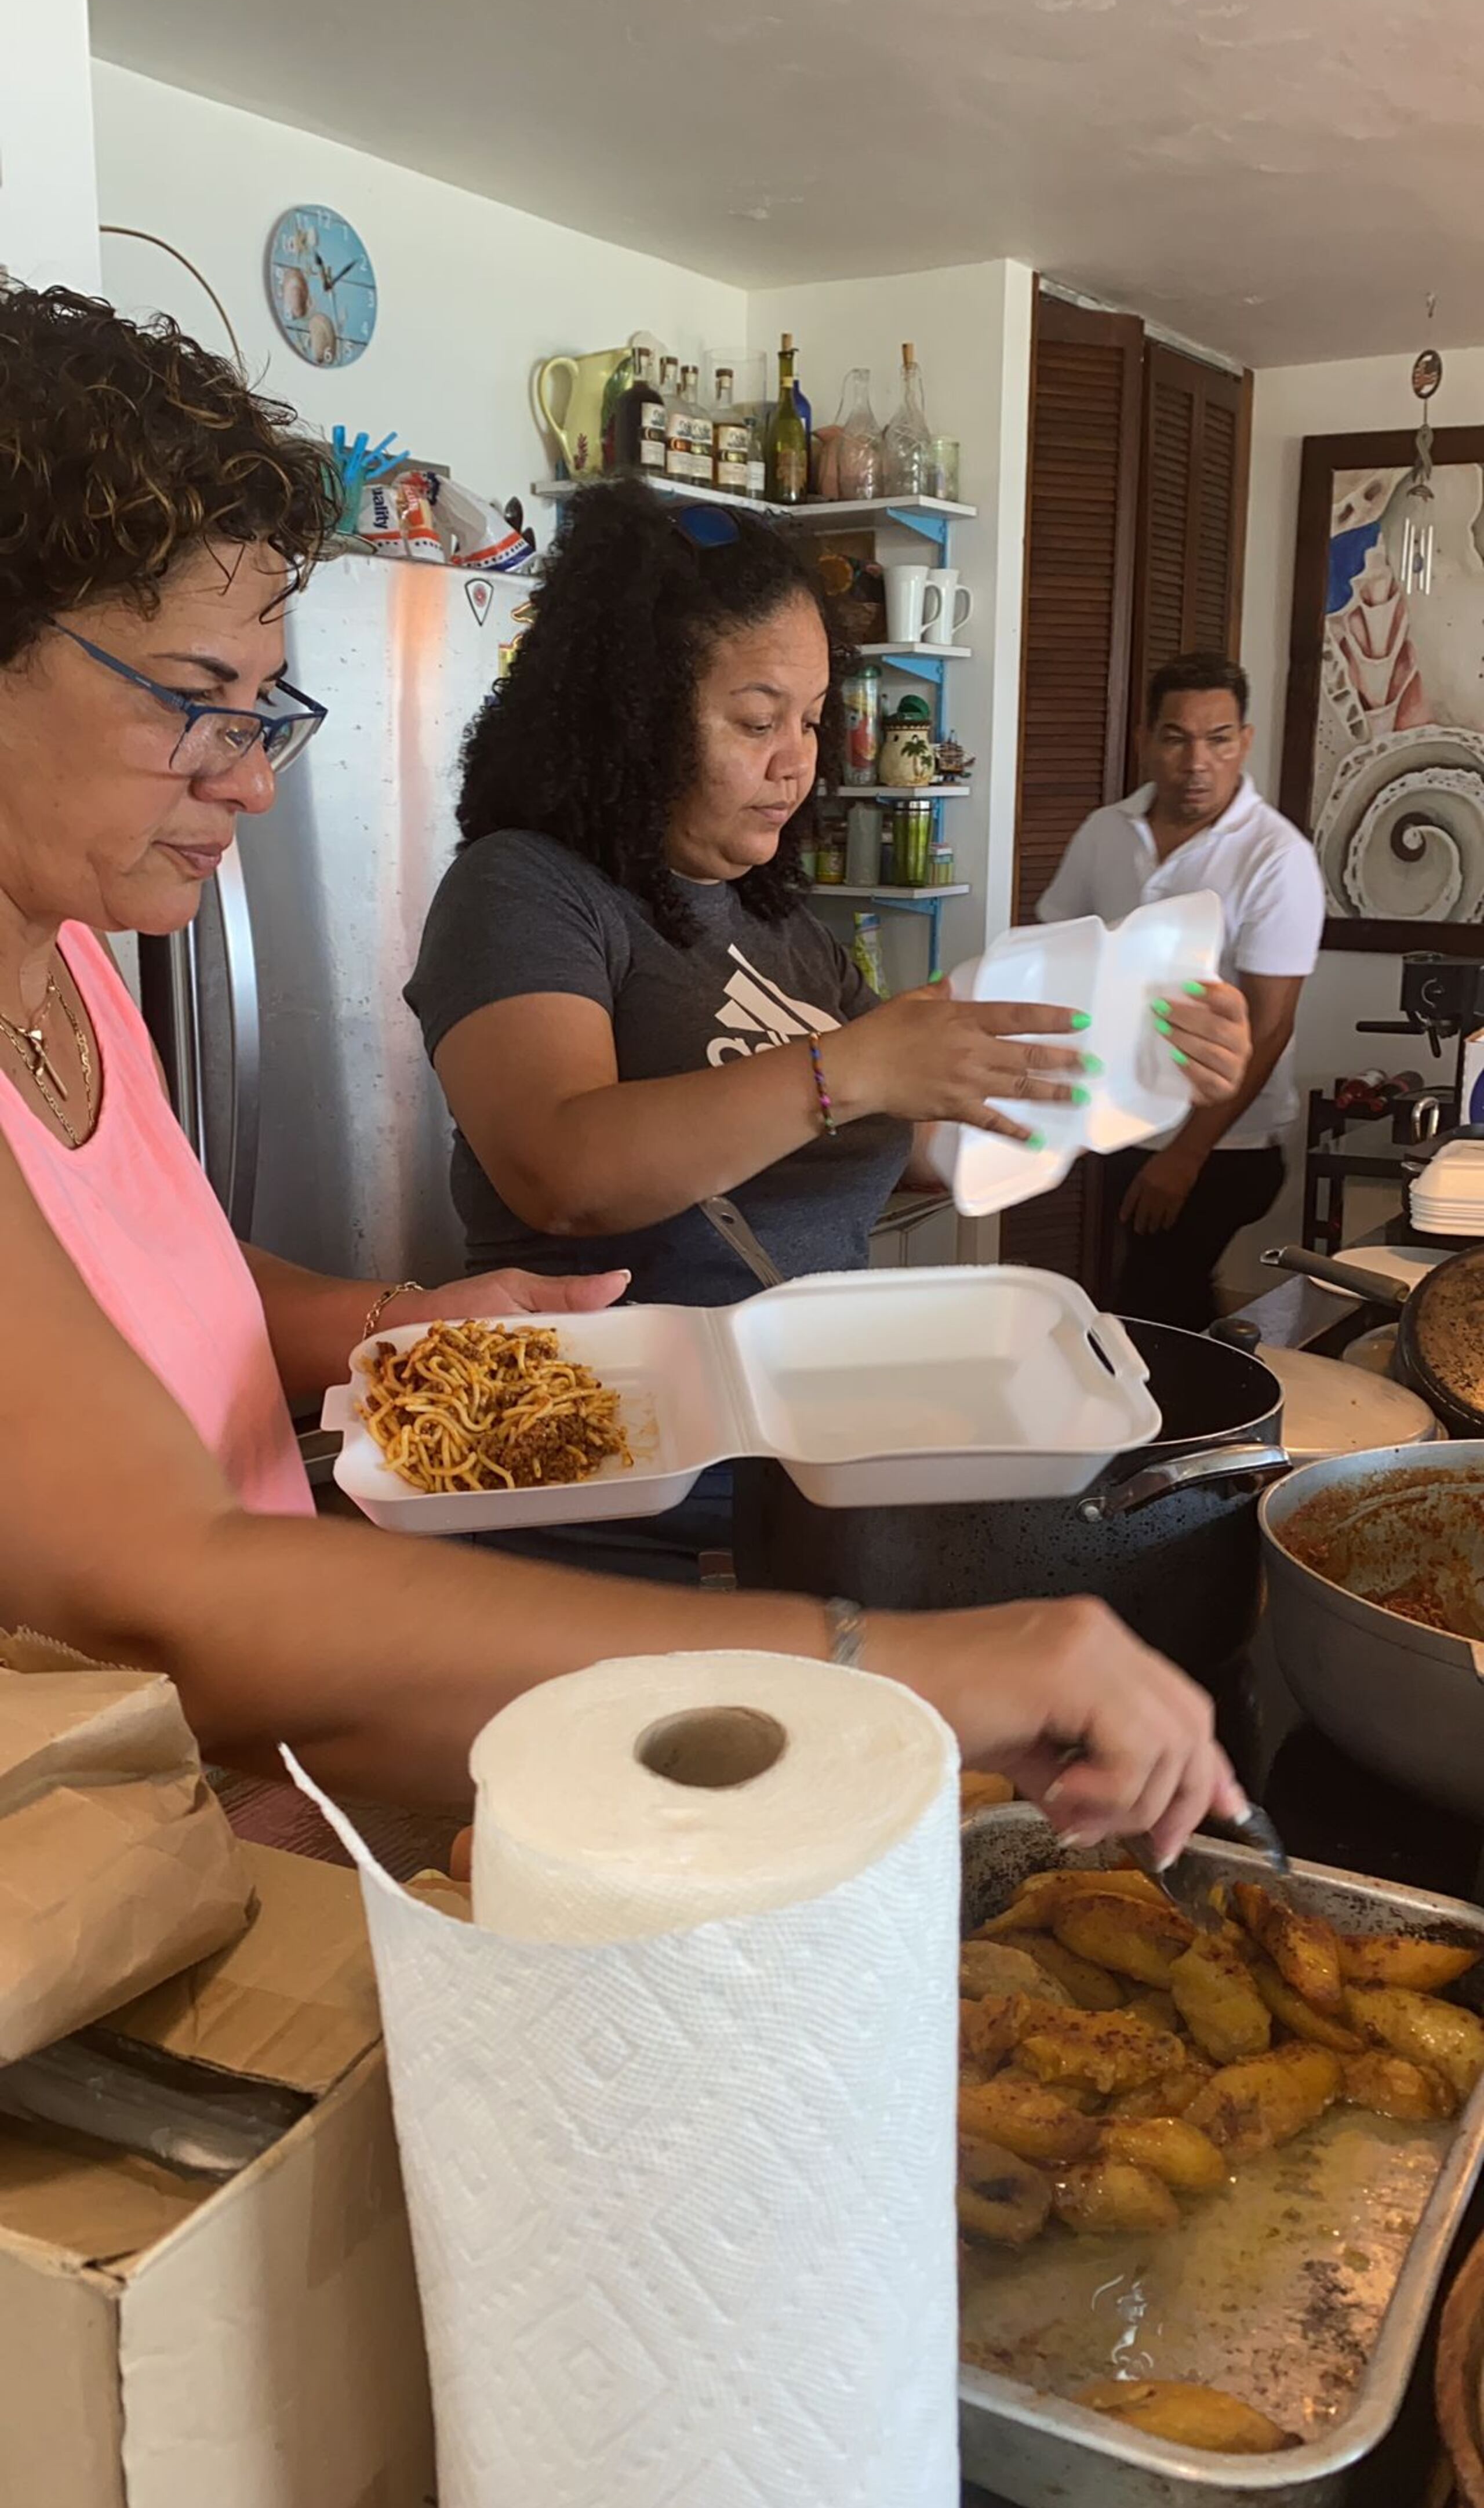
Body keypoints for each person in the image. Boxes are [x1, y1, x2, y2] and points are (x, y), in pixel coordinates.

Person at [0, 282, 1243, 1863]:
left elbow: (147, 1274)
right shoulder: (529, 889)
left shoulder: (81, 956)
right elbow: (159, 1587)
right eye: (193, 700)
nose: (247, 775)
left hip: (216, 1797)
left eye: (265, 711)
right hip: (98, 1823)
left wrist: (386, 1320)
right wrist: (895, 1668)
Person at [406, 489, 1249, 1576]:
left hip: (811, 1492)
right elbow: (564, 1168)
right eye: (758, 721)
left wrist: (1127, 1067)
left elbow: (920, 1147)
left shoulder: (782, 926)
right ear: (634, 713)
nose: (797, 763)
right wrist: (848, 1065)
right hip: (609, 1510)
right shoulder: (522, 889)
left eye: (810, 719)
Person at [1040, 652, 1325, 1332]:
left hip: (1226, 1145)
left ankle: (1189, 1432)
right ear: (1145, 740)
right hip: (1118, 1119)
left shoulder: (1275, 858)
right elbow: (1058, 956)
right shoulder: (1106, 831)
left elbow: (1271, 1025)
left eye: (1218, 738)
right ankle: (1223, 1412)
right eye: (1176, 737)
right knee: (1158, 1299)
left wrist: (1186, 1156)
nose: (1197, 761)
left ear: (1243, 742)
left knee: (1149, 1310)